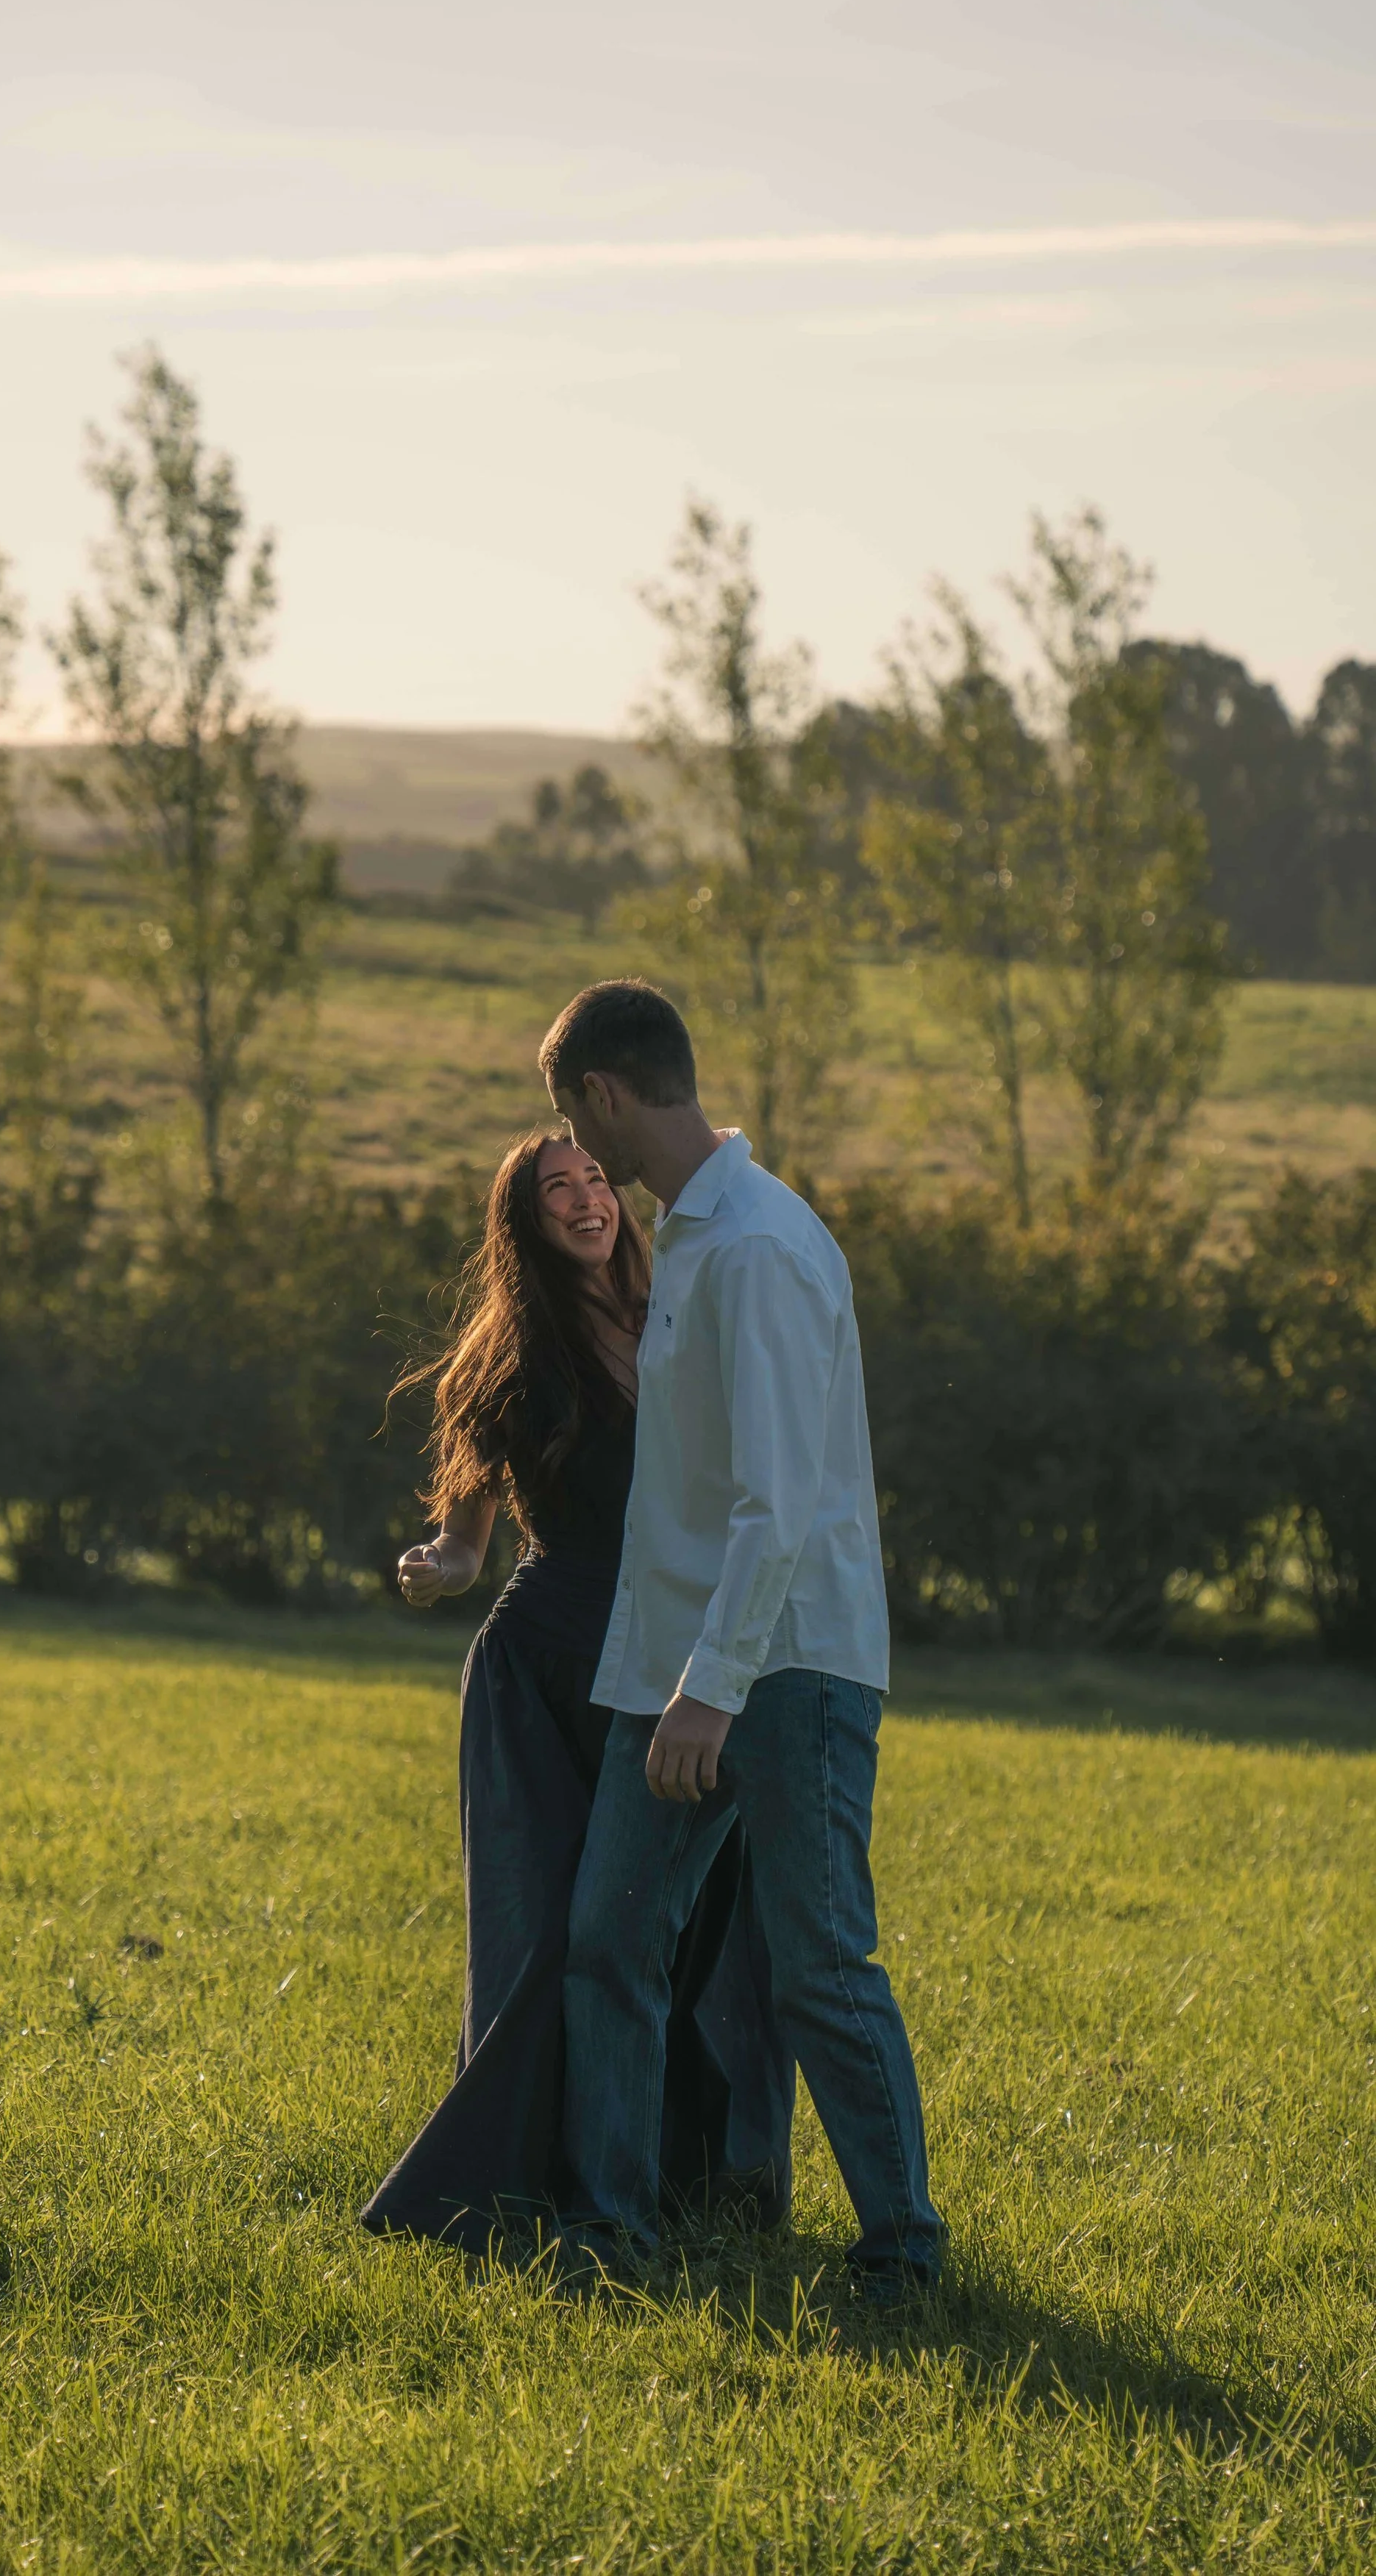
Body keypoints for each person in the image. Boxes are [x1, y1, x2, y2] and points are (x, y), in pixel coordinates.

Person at [541, 979, 946, 2297]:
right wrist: (674, 1680)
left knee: (820, 1963)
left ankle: (903, 2253)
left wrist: (709, 1694)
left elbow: (778, 1498)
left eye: (572, 1117)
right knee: (609, 1933)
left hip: (788, 1666)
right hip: (680, 1667)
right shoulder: (693, 1239)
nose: (578, 1151)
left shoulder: (760, 1246)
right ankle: (612, 2229)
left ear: (602, 1093)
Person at [360, 1124, 746, 2256]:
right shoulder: (509, 1354)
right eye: (555, 1190)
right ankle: (498, 2189)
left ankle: (678, 2184)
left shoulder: (680, 1307)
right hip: (542, 1672)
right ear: (523, 1223)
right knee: (546, 1940)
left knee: (667, 1933)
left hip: (672, 1670)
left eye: (594, 1180)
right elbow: (470, 1537)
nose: (585, 1200)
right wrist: (442, 1563)